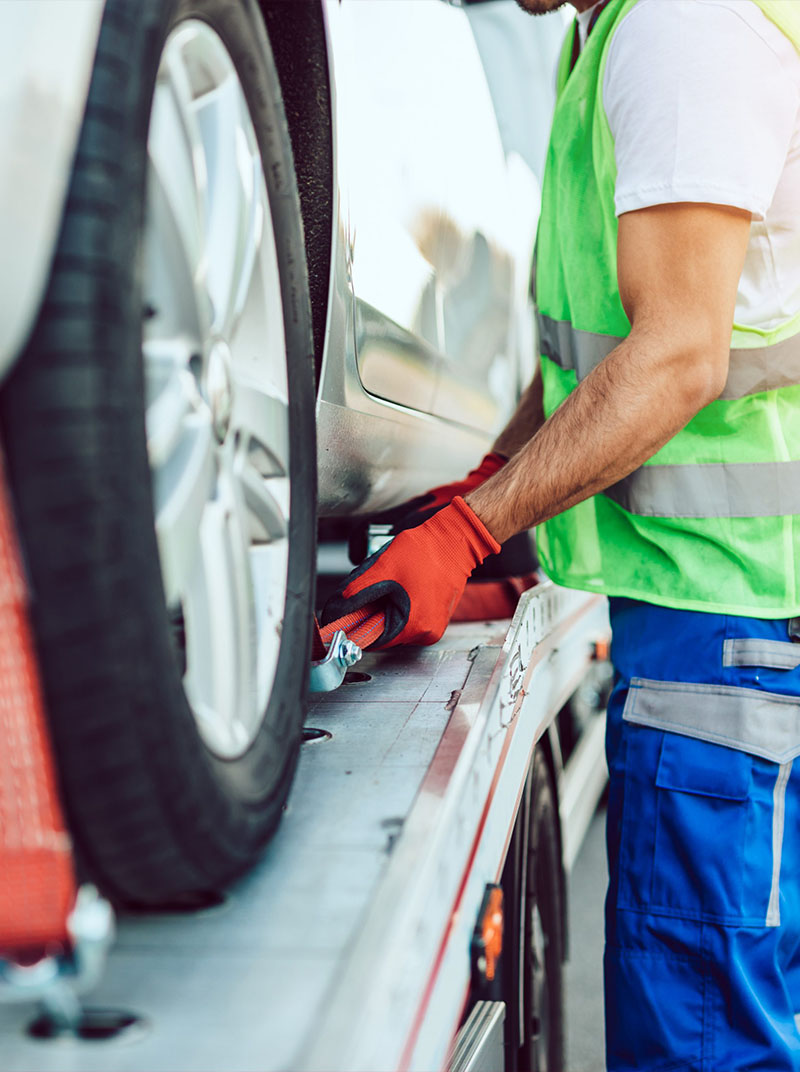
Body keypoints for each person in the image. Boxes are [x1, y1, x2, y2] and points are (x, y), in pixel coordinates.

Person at [323, 0, 800, 1067]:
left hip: (724, 633)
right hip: (724, 630)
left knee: (702, 1046)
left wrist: (465, 530)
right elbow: (602, 362)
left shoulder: (684, 28)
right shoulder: (622, 32)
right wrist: (489, 495)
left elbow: (677, 357)